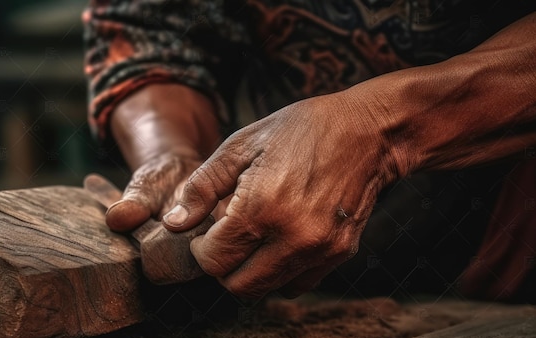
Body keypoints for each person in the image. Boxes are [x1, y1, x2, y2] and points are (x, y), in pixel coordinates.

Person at [83, 1, 535, 302]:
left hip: (502, 246)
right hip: (274, 257)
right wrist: (174, 152)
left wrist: (378, 130)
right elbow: (145, 28)